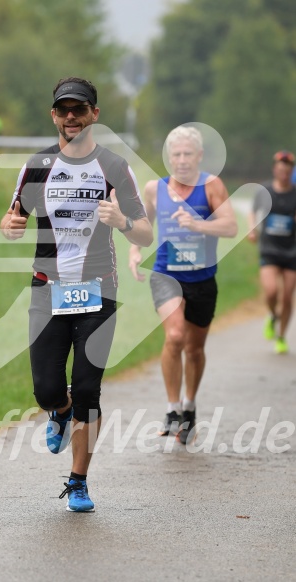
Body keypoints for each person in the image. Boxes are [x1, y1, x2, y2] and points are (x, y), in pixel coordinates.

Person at [0, 77, 153, 511]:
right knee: (48, 390)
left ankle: (78, 480)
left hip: (98, 293)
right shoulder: (36, 166)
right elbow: (12, 217)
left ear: (94, 116)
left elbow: (145, 229)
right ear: (54, 116)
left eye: (79, 110)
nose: (72, 117)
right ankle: (59, 410)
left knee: (89, 389)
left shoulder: (115, 168)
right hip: (48, 290)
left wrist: (123, 220)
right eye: (64, 110)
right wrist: (9, 227)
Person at [129, 126, 237, 444]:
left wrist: (198, 224)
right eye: (176, 154)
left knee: (195, 348)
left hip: (202, 279)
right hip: (166, 274)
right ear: (168, 158)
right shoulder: (154, 188)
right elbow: (143, 222)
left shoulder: (212, 186)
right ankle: (172, 409)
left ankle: (189, 407)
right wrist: (135, 249)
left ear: (199, 156)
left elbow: (231, 226)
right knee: (175, 337)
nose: (182, 160)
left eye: (188, 154)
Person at [248, 150, 296, 354]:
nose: (283, 173)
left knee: (287, 296)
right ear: (274, 170)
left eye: (287, 170)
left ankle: (282, 336)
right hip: (269, 248)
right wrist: (251, 228)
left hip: (292, 251)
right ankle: (272, 316)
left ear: (291, 172)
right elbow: (253, 211)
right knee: (271, 291)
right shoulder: (264, 190)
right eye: (280, 169)